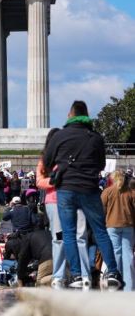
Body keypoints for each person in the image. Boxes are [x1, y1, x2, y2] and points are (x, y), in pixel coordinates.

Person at [43, 100, 122, 290]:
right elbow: (102, 165)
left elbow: (47, 161)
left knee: (68, 234)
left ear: (70, 115)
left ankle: (76, 275)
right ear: (86, 115)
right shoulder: (95, 138)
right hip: (89, 188)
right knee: (100, 231)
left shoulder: (60, 136)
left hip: (66, 190)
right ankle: (112, 272)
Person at [102, 170, 135, 291]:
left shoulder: (107, 191)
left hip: (112, 225)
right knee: (128, 255)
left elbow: (102, 211)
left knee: (115, 253)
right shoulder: (131, 192)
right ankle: (130, 285)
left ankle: (115, 280)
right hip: (128, 225)